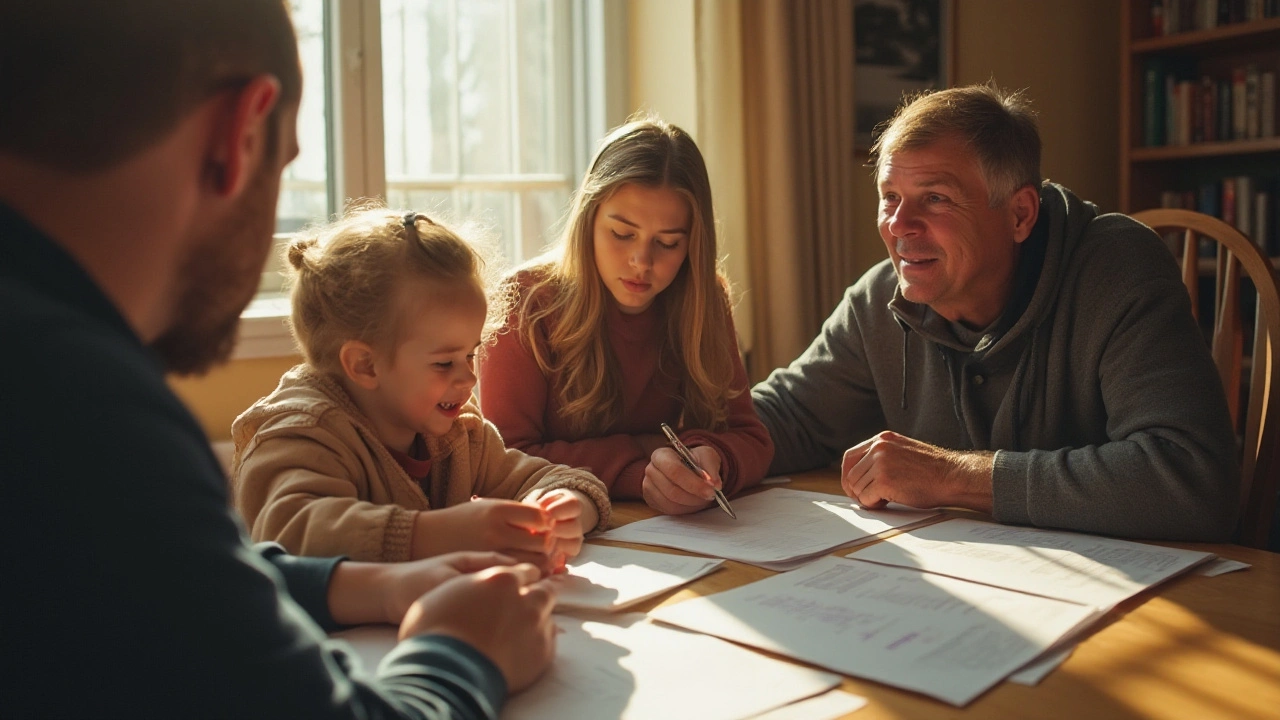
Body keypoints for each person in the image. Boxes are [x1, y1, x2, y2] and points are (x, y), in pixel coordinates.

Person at [1, 2, 558, 717]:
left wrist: (369, 586)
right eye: (286, 161)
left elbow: (175, 585)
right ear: (242, 129)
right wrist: (461, 652)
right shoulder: (78, 408)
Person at [752, 83, 1239, 542]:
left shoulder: (1116, 270)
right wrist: (707, 454)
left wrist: (950, 476)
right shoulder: (878, 299)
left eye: (935, 198)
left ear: (1020, 214)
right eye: (890, 198)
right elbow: (790, 415)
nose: (899, 226)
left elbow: (1191, 477)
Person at [232, 206, 610, 571]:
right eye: (444, 363)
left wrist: (564, 504)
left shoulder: (459, 433)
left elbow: (553, 478)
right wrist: (440, 533)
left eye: (470, 355)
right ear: (365, 365)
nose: (468, 379)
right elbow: (290, 531)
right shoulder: (300, 431)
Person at [478, 115, 774, 516]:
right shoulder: (525, 303)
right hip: (566, 526)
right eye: (621, 234)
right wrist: (642, 464)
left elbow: (751, 438)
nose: (641, 262)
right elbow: (504, 461)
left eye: (668, 243)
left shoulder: (703, 300)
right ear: (588, 220)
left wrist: (713, 458)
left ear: (693, 244)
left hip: (667, 528)